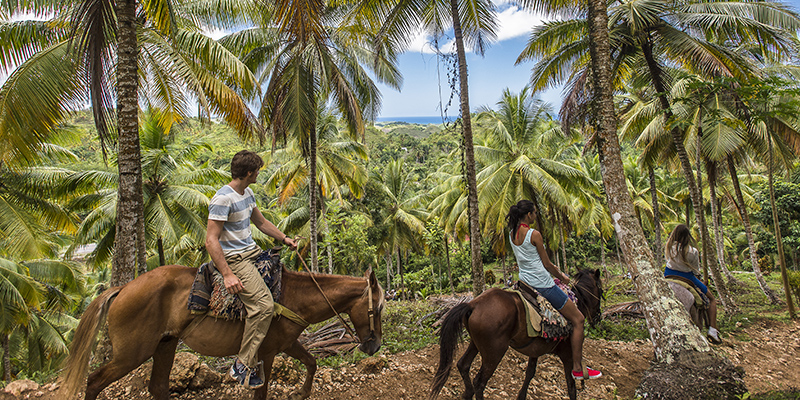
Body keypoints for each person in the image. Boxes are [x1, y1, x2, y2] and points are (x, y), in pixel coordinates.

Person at [205, 150, 297, 389]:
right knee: (264, 306)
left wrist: (284, 238)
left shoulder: (247, 192)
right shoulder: (222, 199)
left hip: (252, 251)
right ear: (248, 173)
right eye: (257, 171)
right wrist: (227, 274)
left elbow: (261, 223)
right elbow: (211, 240)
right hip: (235, 259)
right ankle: (242, 364)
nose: (258, 174)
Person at [506, 200, 602, 381]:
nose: (535, 216)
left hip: (525, 283)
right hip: (543, 284)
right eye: (534, 213)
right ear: (528, 215)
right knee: (579, 319)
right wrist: (563, 277)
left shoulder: (512, 234)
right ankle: (577, 368)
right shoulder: (534, 234)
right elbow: (547, 264)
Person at [664, 224, 721, 344]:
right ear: (687, 236)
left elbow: (667, 262)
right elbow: (695, 272)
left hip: (668, 275)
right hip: (687, 277)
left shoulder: (669, 247)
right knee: (711, 299)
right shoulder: (692, 251)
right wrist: (702, 282)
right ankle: (712, 330)